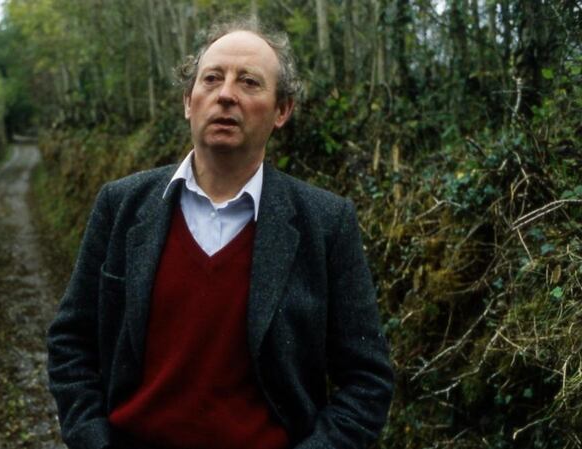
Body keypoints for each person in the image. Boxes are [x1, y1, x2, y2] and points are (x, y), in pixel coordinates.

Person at [47, 18, 394, 449]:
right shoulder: (122, 205)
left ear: (282, 110)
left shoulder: (326, 223)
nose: (226, 93)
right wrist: (94, 439)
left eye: (249, 82)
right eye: (211, 78)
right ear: (188, 101)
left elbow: (367, 380)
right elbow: (71, 342)